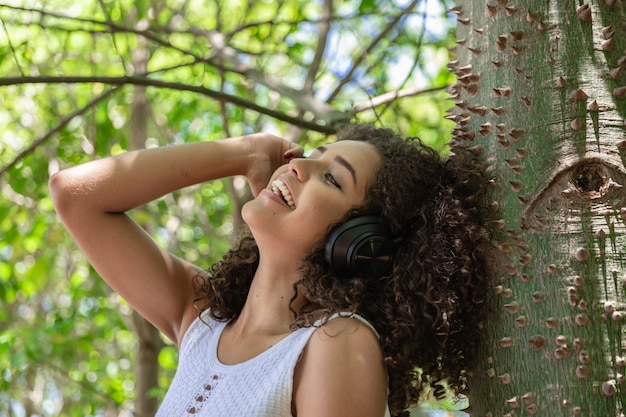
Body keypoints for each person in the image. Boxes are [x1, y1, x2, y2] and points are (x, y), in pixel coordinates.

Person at [49, 123, 490, 417]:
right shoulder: (201, 323)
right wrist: (243, 152)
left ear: (360, 243)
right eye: (314, 154)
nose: (298, 165)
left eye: (333, 179)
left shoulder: (337, 343)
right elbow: (74, 194)